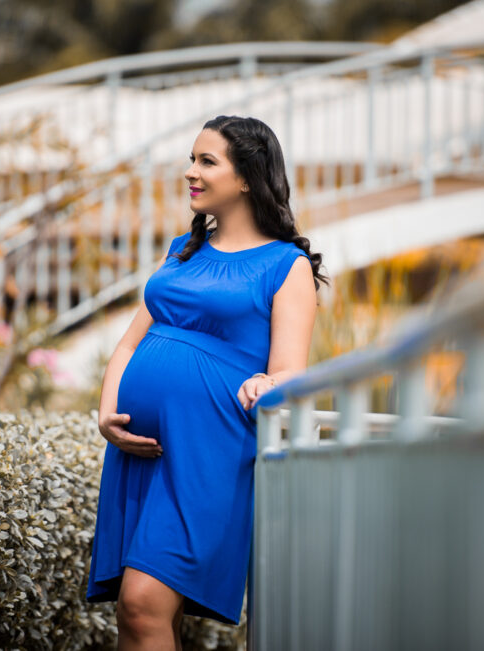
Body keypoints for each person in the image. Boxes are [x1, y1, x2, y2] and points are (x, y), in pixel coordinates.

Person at [85, 115, 329, 650]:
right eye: (191, 159)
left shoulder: (286, 267)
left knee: (142, 604)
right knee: (138, 616)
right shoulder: (183, 251)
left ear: (246, 177)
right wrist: (106, 415)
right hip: (140, 452)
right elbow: (128, 344)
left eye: (206, 161)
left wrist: (269, 382)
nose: (190, 172)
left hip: (207, 452)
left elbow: (291, 371)